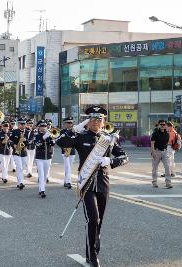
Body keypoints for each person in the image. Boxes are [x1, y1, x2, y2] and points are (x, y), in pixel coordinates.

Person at [57, 106, 128, 267]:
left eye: (99, 120)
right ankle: (92, 255)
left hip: (103, 183)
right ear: (88, 122)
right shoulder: (80, 137)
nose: (96, 122)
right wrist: (75, 128)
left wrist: (111, 161)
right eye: (93, 120)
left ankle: (94, 248)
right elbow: (60, 141)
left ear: (103, 123)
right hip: (87, 184)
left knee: (99, 221)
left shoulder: (108, 139)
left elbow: (124, 157)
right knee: (93, 219)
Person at [33, 120, 55, 198]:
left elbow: (53, 144)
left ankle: (41, 188)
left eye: (45, 126)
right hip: (39, 158)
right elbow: (37, 144)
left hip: (48, 157)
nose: (43, 128)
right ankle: (42, 190)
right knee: (41, 175)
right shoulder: (36, 135)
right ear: (39, 128)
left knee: (45, 175)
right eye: (42, 126)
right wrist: (43, 138)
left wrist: (52, 138)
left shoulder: (49, 135)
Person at [10, 117, 30, 190]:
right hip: (16, 152)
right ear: (18, 124)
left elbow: (31, 142)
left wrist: (26, 140)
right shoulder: (15, 131)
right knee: (19, 167)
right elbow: (10, 140)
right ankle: (20, 183)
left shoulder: (27, 132)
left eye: (24, 124)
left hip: (24, 152)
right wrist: (13, 145)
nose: (23, 125)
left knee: (23, 168)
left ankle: (19, 182)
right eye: (21, 124)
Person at [150, 119, 172, 188]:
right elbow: (152, 144)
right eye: (161, 124)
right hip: (156, 152)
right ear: (159, 125)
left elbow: (167, 143)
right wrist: (153, 152)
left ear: (165, 125)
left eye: (164, 124)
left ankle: (168, 183)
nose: (162, 126)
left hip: (165, 152)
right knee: (155, 168)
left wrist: (168, 151)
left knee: (168, 167)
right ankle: (154, 182)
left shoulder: (167, 134)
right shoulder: (155, 133)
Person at [60, 117, 76, 189]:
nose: (70, 124)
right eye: (68, 123)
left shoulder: (75, 131)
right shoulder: (62, 132)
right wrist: (63, 147)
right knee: (67, 167)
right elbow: (58, 141)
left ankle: (65, 181)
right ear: (65, 124)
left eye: (71, 123)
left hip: (72, 151)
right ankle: (68, 182)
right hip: (65, 151)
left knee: (70, 167)